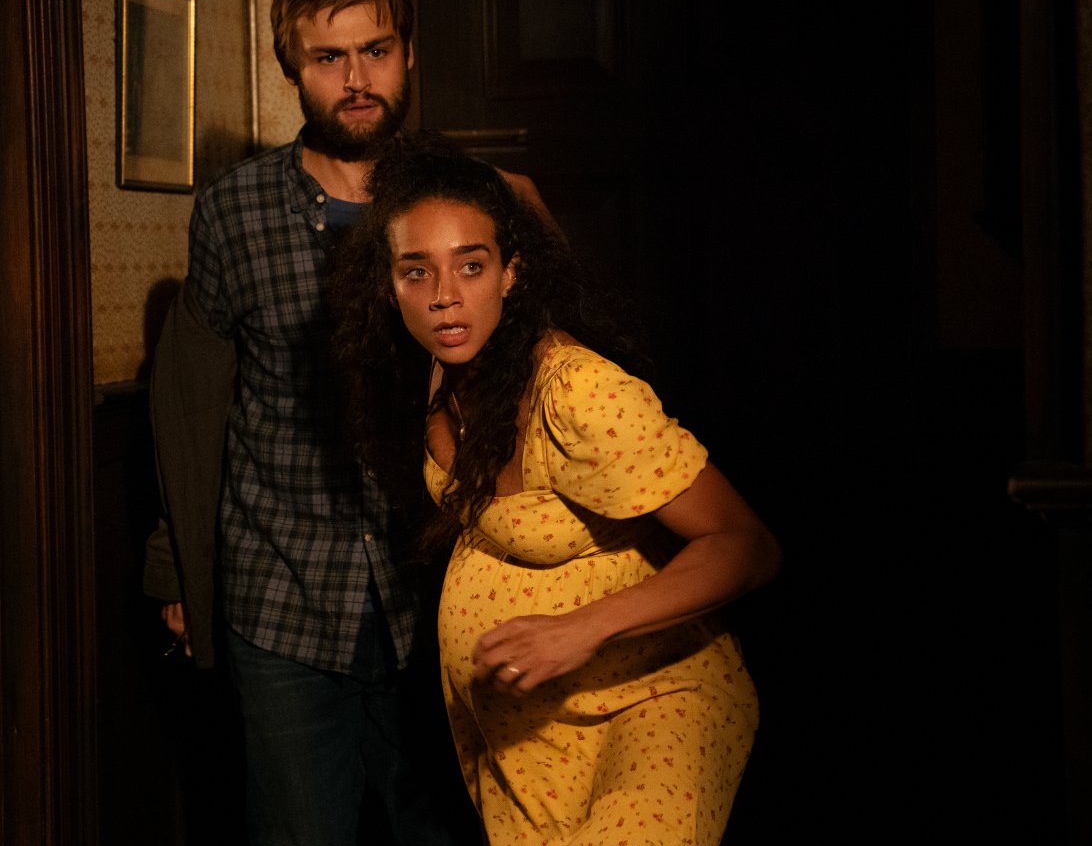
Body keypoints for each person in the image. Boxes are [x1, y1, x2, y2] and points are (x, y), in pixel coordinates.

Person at [328, 137, 782, 845]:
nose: (444, 295)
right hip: (528, 730)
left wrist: (581, 628)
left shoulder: (577, 392)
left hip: (653, 697)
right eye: (417, 271)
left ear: (511, 273)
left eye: (471, 265)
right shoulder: (440, 360)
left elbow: (747, 545)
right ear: (388, 285)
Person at [143, 0, 500, 846]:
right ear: (292, 68)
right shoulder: (232, 212)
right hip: (283, 595)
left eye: (375, 51)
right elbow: (194, 404)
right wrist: (178, 568)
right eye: (329, 58)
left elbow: (525, 381)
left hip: (439, 591)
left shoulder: (463, 202)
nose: (357, 80)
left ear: (408, 53)